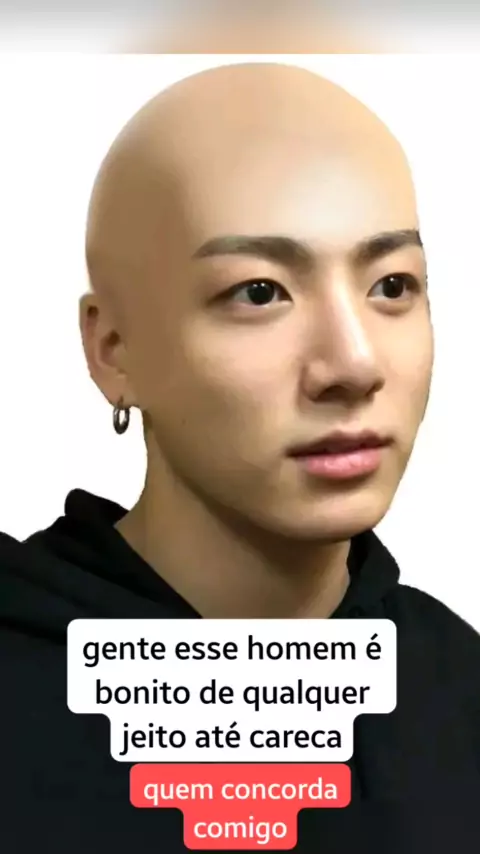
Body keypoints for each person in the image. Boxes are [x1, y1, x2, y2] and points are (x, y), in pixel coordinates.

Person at [1, 62, 479, 853]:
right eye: (259, 292)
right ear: (113, 349)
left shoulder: (455, 696)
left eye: (392, 286)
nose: (354, 363)